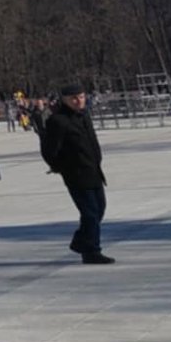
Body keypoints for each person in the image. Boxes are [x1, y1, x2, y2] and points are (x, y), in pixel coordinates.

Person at [41, 86, 112, 264]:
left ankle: (81, 241)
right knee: (90, 214)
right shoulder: (58, 121)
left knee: (99, 210)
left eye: (81, 96)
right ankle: (92, 251)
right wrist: (62, 167)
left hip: (94, 171)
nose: (78, 100)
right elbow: (49, 151)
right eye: (73, 98)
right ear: (64, 100)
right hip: (77, 175)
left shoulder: (84, 116)